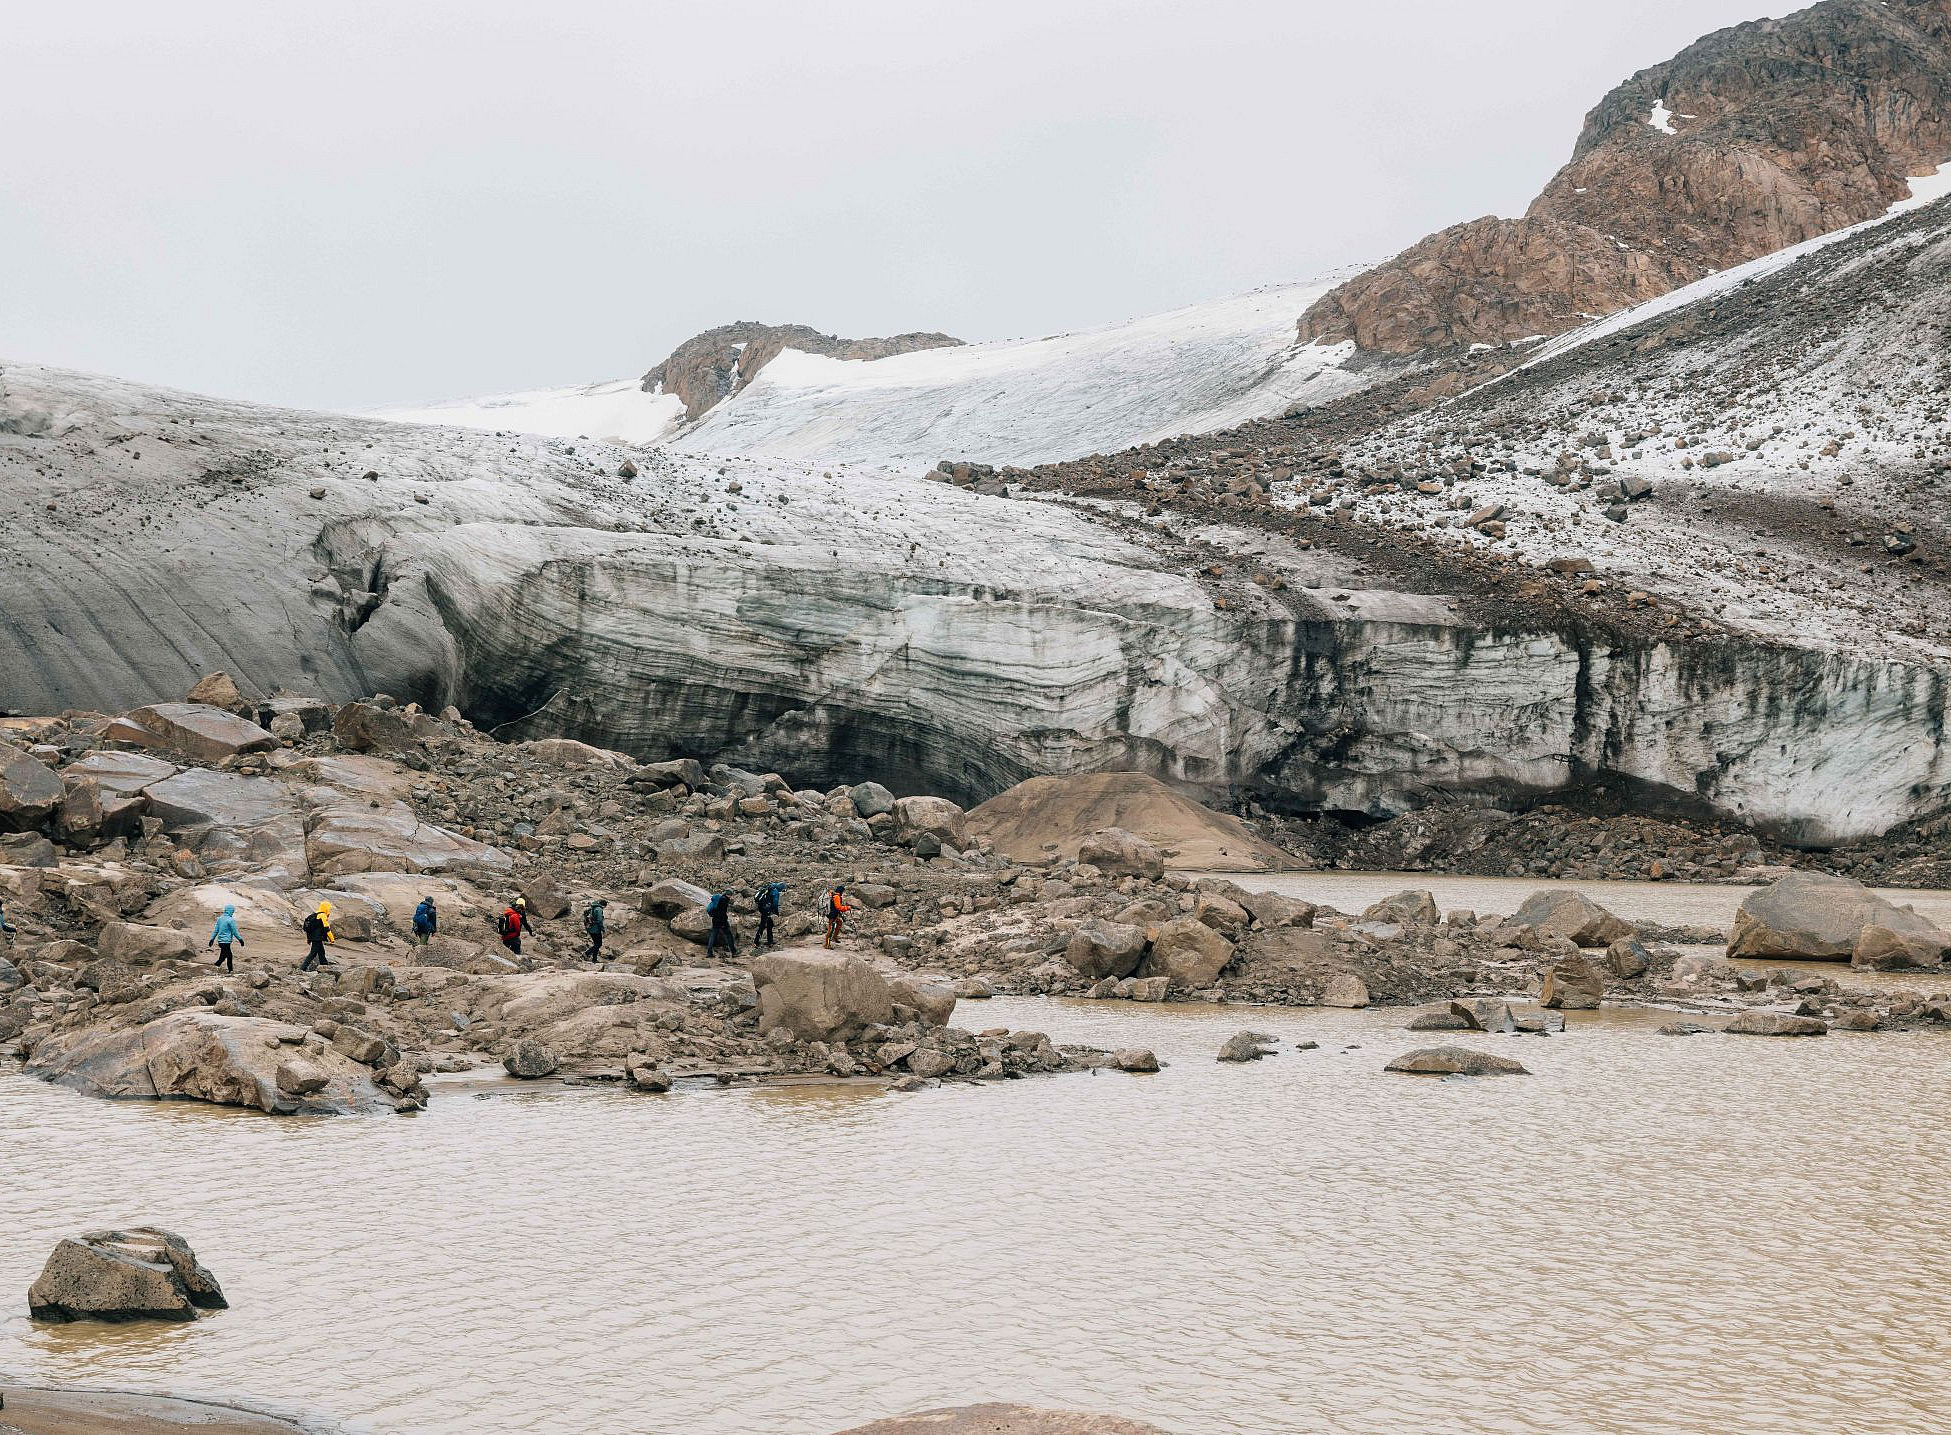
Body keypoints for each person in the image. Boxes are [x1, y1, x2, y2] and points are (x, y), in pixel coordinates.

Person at [207, 904, 242, 973]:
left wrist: (212, 939)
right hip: (226, 942)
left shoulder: (220, 919)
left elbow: (216, 930)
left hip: (220, 942)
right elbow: (234, 931)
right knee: (229, 956)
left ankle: (216, 967)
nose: (232, 913)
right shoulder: (230, 920)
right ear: (230, 911)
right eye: (232, 911)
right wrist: (240, 939)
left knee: (223, 956)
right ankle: (230, 971)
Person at [300, 901, 334, 971]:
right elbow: (326, 928)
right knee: (313, 954)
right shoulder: (323, 916)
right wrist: (331, 938)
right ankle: (302, 968)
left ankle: (324, 966)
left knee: (321, 952)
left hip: (314, 938)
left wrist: (309, 939)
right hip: (317, 938)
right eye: (329, 909)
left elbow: (310, 929)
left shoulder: (313, 915)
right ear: (326, 909)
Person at [705, 891, 736, 959]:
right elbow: (722, 913)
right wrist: (723, 922)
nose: (731, 897)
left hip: (715, 920)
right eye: (730, 895)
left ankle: (709, 952)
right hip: (722, 921)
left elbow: (716, 911)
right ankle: (733, 952)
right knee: (729, 935)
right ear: (728, 895)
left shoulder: (719, 899)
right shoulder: (724, 900)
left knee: (713, 935)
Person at [753, 882, 783, 948]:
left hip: (762, 909)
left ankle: (769, 941)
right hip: (768, 910)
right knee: (765, 926)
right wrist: (776, 913)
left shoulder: (770, 887)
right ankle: (757, 941)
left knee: (766, 924)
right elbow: (775, 904)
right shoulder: (776, 892)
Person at [823, 885, 850, 949]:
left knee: (839, 922)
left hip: (833, 914)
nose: (843, 892)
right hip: (832, 915)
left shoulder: (835, 895)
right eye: (842, 891)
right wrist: (847, 908)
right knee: (831, 928)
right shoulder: (837, 897)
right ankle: (827, 944)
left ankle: (834, 937)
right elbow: (838, 907)